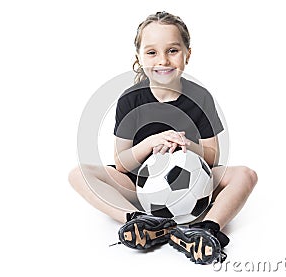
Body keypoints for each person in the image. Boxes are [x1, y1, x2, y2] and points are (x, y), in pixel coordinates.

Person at [68, 11, 258, 265]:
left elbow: (213, 157)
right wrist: (150, 143)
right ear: (139, 57)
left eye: (172, 50)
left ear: (187, 54)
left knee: (245, 174)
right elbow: (122, 163)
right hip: (140, 186)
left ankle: (206, 230)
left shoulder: (200, 98)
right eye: (152, 52)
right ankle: (138, 221)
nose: (163, 60)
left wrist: (187, 145)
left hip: (193, 186)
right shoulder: (130, 99)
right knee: (78, 174)